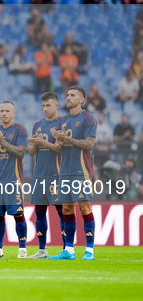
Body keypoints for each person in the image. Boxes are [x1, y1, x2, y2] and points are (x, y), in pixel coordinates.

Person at [50, 86, 97, 260]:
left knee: (85, 208)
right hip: (65, 171)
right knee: (67, 209)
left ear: (81, 99)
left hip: (81, 170)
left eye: (73, 95)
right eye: (67, 94)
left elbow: (89, 144)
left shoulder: (88, 118)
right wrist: (49, 142)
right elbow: (58, 148)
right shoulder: (63, 120)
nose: (68, 97)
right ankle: (69, 250)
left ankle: (89, 250)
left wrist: (67, 139)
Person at [0, 101, 28, 258]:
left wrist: (2, 142)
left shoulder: (19, 130)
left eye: (7, 111)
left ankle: (22, 249)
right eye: (1, 110)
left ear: (14, 113)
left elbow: (21, 152)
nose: (4, 113)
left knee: (17, 214)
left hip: (13, 181)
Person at [26, 92, 65, 259]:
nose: (45, 109)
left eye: (48, 105)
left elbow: (59, 148)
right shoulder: (38, 125)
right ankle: (42, 250)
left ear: (56, 105)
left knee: (62, 211)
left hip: (56, 174)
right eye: (43, 106)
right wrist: (35, 142)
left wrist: (42, 142)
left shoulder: (63, 123)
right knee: (39, 212)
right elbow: (31, 152)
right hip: (39, 175)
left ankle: (66, 248)